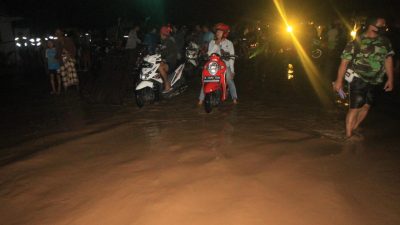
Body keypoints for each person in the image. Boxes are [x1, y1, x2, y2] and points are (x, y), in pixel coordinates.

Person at [333, 16, 395, 138]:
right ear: (371, 26)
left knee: (366, 107)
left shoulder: (385, 42)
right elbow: (344, 63)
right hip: (358, 78)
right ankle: (348, 136)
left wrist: (391, 79)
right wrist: (339, 81)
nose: (384, 28)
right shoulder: (356, 42)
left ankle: (354, 129)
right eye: (381, 26)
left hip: (376, 80)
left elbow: (388, 60)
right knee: (355, 107)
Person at [198, 23, 238, 105]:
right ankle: (201, 99)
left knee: (229, 79)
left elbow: (232, 58)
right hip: (213, 66)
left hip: (225, 66)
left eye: (220, 31)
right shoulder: (212, 42)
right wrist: (216, 45)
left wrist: (232, 70)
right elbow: (209, 54)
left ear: (225, 33)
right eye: (217, 31)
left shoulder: (229, 43)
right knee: (206, 78)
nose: (218, 33)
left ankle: (234, 98)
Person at [158, 26, 178, 93]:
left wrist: (164, 59)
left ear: (163, 34)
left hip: (171, 62)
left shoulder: (169, 41)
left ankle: (167, 84)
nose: (160, 34)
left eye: (160, 33)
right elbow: (161, 51)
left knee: (160, 67)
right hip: (166, 61)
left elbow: (172, 53)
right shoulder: (163, 41)